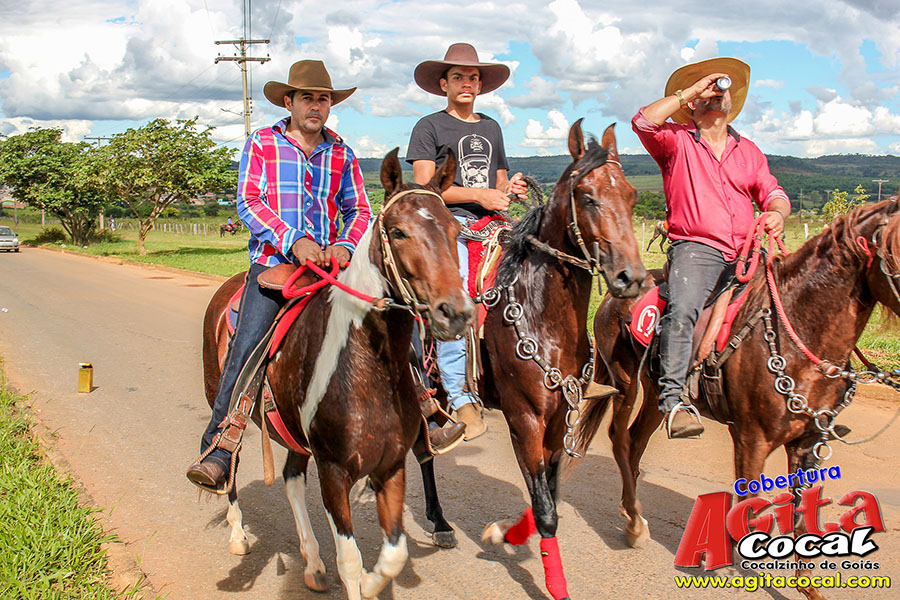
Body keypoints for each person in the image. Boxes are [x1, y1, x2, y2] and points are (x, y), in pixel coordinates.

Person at [186, 60, 373, 490]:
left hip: (330, 269)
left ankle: (424, 411)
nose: (315, 106)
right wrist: (293, 241)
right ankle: (220, 446)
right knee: (246, 346)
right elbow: (249, 202)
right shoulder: (262, 143)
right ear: (289, 102)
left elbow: (359, 209)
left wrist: (344, 246)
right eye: (307, 97)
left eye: (323, 98)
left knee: (391, 319)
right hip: (275, 267)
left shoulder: (342, 152)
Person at [632, 57, 791, 439]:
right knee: (684, 309)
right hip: (696, 248)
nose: (717, 94)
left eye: (722, 90)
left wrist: (778, 214)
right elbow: (643, 121)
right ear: (692, 103)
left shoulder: (749, 151)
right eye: (708, 90)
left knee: (794, 301)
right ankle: (673, 399)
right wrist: (691, 89)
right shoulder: (675, 140)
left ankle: (805, 394)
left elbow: (774, 193)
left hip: (747, 250)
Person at [407, 43, 528, 440]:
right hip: (448, 225)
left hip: (493, 221)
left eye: (473, 77)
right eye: (458, 76)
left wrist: (509, 188)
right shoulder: (430, 126)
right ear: (444, 83)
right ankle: (459, 395)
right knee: (458, 296)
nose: (467, 83)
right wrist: (478, 196)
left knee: (535, 277)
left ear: (480, 85)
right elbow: (426, 187)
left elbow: (497, 181)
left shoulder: (491, 127)